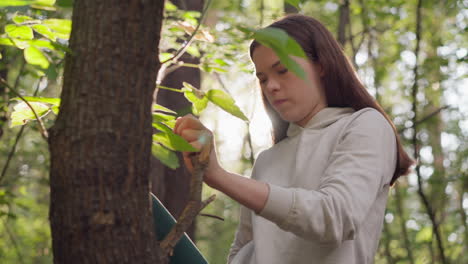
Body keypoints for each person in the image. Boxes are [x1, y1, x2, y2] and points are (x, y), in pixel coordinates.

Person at [174, 14, 413, 264]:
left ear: (321, 65)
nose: (271, 86)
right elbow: (241, 251)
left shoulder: (365, 125)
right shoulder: (267, 160)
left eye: (282, 70)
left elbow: (336, 218)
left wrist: (220, 176)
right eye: (263, 78)